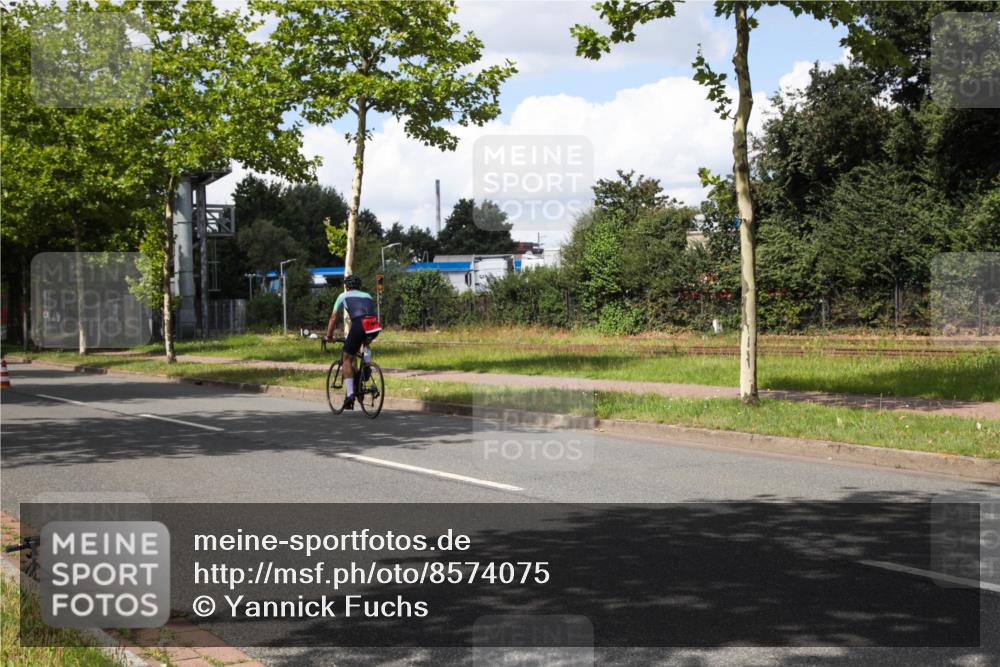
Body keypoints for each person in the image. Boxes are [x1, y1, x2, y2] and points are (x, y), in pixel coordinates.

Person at [323, 275, 381, 409]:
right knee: (365, 343)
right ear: (359, 286)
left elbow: (333, 317)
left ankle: (350, 395)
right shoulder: (368, 295)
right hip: (374, 325)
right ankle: (366, 366)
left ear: (346, 286)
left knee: (347, 358)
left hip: (359, 324)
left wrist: (329, 335)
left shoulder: (342, 296)